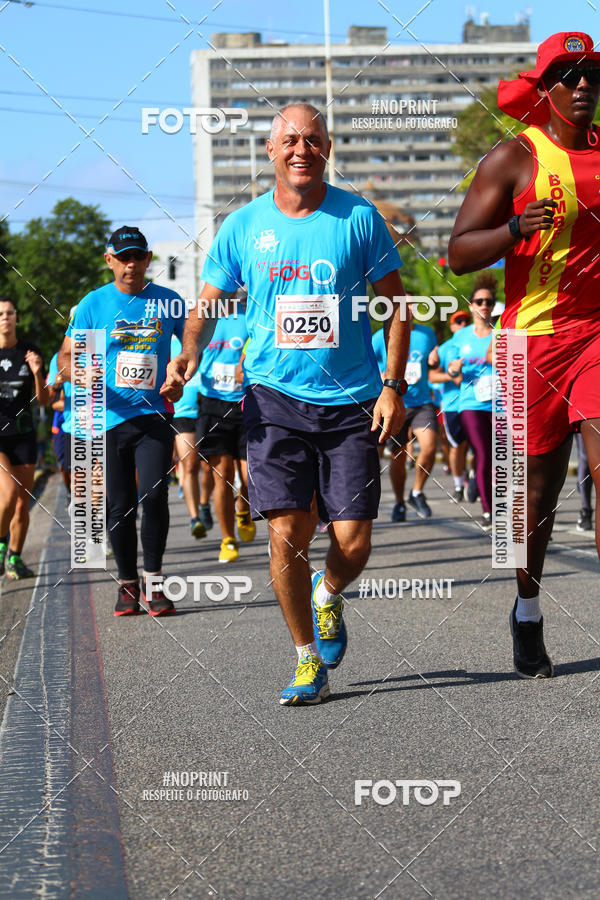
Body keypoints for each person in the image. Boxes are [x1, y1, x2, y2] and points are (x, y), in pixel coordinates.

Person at [162, 102, 409, 705]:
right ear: (271, 153)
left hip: (350, 399)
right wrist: (187, 354)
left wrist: (393, 387)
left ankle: (328, 593)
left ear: (328, 149)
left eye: (314, 139)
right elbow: (207, 303)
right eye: (290, 140)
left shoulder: (358, 219)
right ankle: (305, 659)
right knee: (286, 531)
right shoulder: (244, 226)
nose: (302, 149)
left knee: (353, 542)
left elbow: (398, 307)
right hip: (272, 399)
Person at [449, 31, 600, 678]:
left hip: (594, 335)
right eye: (568, 75)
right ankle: (528, 608)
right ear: (545, 89)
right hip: (526, 344)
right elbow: (457, 254)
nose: (585, 86)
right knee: (533, 499)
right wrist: (514, 228)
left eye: (593, 73)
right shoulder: (512, 158)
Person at [58, 226, 184, 616]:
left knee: (154, 495)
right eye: (123, 258)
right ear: (109, 260)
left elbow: (194, 341)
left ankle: (155, 581)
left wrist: (181, 372)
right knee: (119, 505)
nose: (131, 265)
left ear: (148, 260)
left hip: (152, 415)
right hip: (106, 417)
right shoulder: (94, 304)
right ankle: (128, 584)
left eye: (138, 257)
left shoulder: (168, 301)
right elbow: (65, 356)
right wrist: (77, 372)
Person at [196, 296, 253, 563]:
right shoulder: (206, 318)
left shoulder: (253, 314)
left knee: (250, 475)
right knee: (223, 475)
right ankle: (227, 539)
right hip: (213, 404)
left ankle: (244, 506)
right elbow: (191, 351)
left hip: (247, 404)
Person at [0, 297, 49, 579]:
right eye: (0, 314)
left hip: (23, 435)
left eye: (9, 313)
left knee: (22, 502)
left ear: (17, 318)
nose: (5, 318)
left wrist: (36, 372)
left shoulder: (29, 351)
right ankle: (0, 545)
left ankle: (14, 558)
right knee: (6, 494)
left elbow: (43, 400)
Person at [373, 315, 438, 521]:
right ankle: (400, 502)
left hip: (422, 403)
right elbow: (368, 365)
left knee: (429, 447)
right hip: (396, 403)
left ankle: (416, 492)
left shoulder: (426, 334)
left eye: (410, 304)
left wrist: (433, 362)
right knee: (398, 456)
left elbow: (434, 364)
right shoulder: (379, 337)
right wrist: (381, 376)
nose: (406, 309)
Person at [445, 277, 496, 531]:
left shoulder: (501, 332)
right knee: (483, 452)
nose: (484, 305)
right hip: (471, 403)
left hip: (501, 404)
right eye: (479, 301)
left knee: (504, 457)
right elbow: (450, 367)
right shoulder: (461, 336)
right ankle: (489, 510)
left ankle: (484, 483)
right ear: (472, 304)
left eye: (488, 301)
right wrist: (454, 367)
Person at [428, 310, 470, 502]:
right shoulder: (446, 348)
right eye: (458, 321)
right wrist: (451, 376)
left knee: (479, 445)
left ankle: (477, 479)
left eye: (466, 321)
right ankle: (459, 484)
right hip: (453, 405)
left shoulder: (477, 342)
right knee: (457, 446)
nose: (463, 324)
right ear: (452, 327)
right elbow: (432, 376)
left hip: (477, 403)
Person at [170, 334, 207, 540]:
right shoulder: (170, 343)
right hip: (182, 412)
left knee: (211, 468)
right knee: (190, 465)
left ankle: (205, 504)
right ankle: (195, 518)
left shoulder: (207, 337)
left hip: (209, 408)